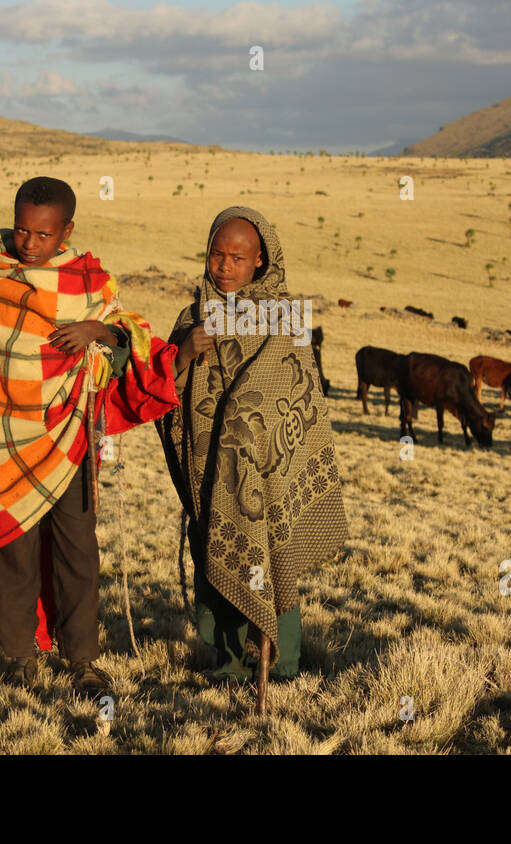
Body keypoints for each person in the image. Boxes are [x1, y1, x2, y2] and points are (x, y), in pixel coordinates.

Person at [0, 177, 178, 697]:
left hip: (69, 437)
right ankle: (14, 653)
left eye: (43, 235)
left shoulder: (87, 282)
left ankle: (83, 659)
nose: (29, 243)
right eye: (22, 230)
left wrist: (98, 332)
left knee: (77, 550)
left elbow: (129, 331)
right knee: (12, 546)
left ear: (66, 231)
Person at [157, 205, 347, 684]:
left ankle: (280, 663)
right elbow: (162, 388)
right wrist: (184, 352)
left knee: (271, 563)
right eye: (216, 255)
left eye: (237, 258)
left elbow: (296, 392)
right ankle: (228, 663)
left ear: (261, 260)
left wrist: (243, 422)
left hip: (266, 471)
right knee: (216, 559)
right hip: (206, 466)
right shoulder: (192, 315)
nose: (224, 267)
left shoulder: (284, 319)